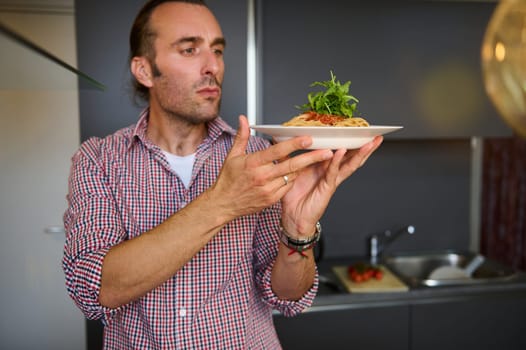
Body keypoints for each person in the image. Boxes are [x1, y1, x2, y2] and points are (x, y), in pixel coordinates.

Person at [62, 0, 383, 348]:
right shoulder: (97, 160)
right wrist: (223, 203)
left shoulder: (259, 158)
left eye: (217, 50)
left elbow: (287, 297)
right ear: (144, 70)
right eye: (189, 49)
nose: (212, 65)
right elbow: (91, 288)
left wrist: (298, 232)